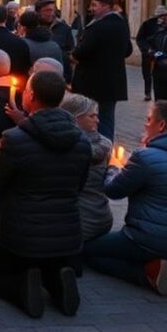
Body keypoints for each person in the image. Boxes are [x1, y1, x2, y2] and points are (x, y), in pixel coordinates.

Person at [0, 71, 91, 318]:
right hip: (67, 231)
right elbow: (79, 185)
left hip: (21, 232)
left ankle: (24, 288)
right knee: (50, 261)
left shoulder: (14, 139)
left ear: (31, 95)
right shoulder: (82, 142)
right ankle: (56, 283)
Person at [84, 101, 167, 296]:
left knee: (87, 251)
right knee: (164, 243)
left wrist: (115, 166)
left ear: (161, 126)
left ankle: (147, 274)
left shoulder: (146, 157)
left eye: (149, 119)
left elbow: (113, 190)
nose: (145, 124)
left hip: (150, 240)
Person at [72, 0, 133, 140]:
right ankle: (107, 147)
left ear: (106, 7)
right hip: (113, 80)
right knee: (107, 116)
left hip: (92, 79)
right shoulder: (122, 25)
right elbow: (128, 50)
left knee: (87, 114)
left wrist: (74, 55)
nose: (91, 9)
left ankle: (91, 147)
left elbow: (83, 50)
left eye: (94, 5)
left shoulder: (97, 26)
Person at [59, 94, 113, 242]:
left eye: (96, 116)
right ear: (76, 118)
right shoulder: (106, 145)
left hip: (78, 222)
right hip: (101, 215)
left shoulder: (64, 147)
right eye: (92, 116)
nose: (98, 120)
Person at [34, 0, 75, 82]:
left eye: (53, 10)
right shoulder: (33, 28)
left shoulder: (64, 28)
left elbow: (70, 49)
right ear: (39, 12)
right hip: (38, 73)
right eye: (47, 10)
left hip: (60, 74)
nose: (51, 13)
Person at [135, 6, 167, 101]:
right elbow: (140, 38)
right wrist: (147, 49)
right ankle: (147, 92)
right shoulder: (147, 24)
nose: (162, 18)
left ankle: (160, 93)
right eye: (160, 15)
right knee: (147, 73)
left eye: (164, 15)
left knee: (160, 73)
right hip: (149, 53)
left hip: (161, 53)